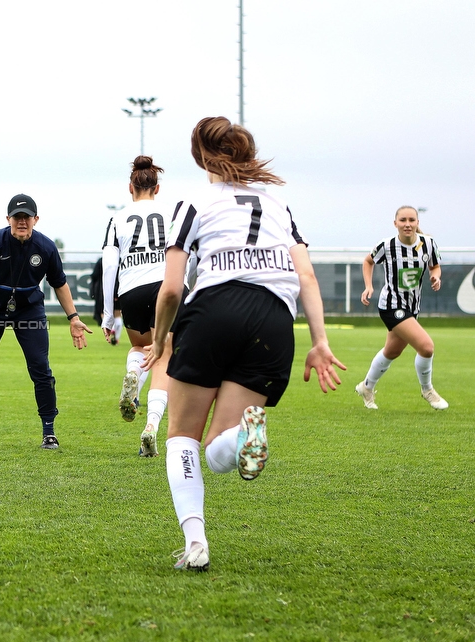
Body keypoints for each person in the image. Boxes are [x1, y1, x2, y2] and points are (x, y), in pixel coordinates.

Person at [144, 117, 345, 572]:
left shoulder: (194, 201)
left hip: (215, 307)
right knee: (221, 450)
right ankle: (241, 435)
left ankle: (196, 542)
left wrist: (160, 341)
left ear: (199, 156)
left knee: (183, 438)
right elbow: (306, 275)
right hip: (274, 319)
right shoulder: (279, 203)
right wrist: (319, 342)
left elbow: (172, 289)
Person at [0, 194, 93, 450]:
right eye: (17, 217)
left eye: (26, 217)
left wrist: (74, 318)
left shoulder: (45, 247)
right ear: (8, 219)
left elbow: (59, 283)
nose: (22, 222)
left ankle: (49, 433)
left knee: (41, 369)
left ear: (36, 219)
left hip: (28, 310)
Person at [101, 155, 187, 458]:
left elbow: (110, 264)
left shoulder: (117, 218)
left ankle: (134, 377)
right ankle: (150, 426)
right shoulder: (173, 213)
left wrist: (109, 316)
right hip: (168, 285)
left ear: (130, 188)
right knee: (164, 356)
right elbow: (191, 254)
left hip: (132, 290)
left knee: (140, 348)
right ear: (157, 188)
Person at [355, 206, 448, 410]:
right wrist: (368, 286)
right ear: (395, 223)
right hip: (391, 306)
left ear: (417, 223)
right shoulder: (387, 245)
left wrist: (436, 277)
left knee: (392, 351)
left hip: (412, 307)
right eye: (403, 220)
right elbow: (368, 261)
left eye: (412, 220)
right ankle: (427, 390)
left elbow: (435, 266)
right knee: (426, 346)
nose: (407, 224)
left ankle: (366, 387)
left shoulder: (428, 244)